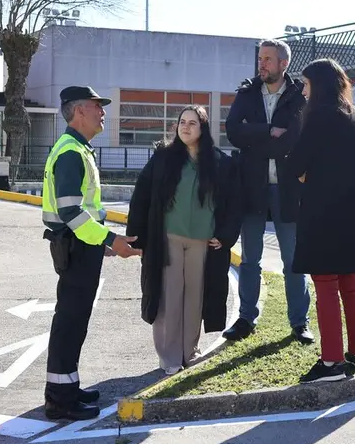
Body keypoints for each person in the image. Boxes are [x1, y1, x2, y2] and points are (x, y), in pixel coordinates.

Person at [41, 85, 140, 421]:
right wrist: (111, 240)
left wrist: (103, 242)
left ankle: (67, 388)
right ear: (79, 110)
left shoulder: (77, 148)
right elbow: (72, 212)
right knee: (70, 322)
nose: (103, 113)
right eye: (98, 107)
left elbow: (85, 211)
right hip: (76, 246)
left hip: (81, 246)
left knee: (74, 321)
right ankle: (59, 399)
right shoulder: (71, 152)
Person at [126, 106, 244, 374]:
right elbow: (142, 196)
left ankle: (189, 352)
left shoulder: (220, 163)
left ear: (203, 128)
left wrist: (225, 236)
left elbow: (235, 203)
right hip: (168, 239)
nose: (185, 127)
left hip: (204, 243)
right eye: (182, 122)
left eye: (192, 123)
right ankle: (169, 357)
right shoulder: (163, 158)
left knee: (194, 298)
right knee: (168, 298)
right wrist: (139, 238)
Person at [288, 58, 355, 384]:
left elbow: (297, 161)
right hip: (352, 209)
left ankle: (332, 363)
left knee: (325, 283)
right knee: (349, 282)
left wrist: (304, 173)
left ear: (319, 84)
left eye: (307, 84)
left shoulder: (319, 116)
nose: (304, 91)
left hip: (323, 210)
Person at [222, 39, 312, 344]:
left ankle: (299, 323)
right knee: (250, 259)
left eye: (268, 59)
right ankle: (246, 319)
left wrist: (260, 141)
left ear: (283, 63)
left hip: (289, 189)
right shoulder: (246, 93)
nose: (262, 64)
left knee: (293, 261)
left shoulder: (300, 95)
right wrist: (267, 132)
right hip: (252, 187)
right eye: (260, 58)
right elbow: (233, 131)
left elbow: (300, 136)